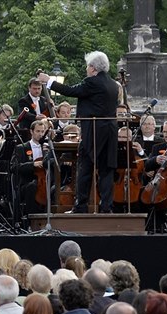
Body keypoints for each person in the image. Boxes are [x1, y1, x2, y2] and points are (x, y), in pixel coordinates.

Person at [38, 51, 119, 213]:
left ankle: (81, 206)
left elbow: (71, 91)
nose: (87, 69)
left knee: (85, 167)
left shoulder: (93, 82)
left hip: (94, 130)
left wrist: (49, 81)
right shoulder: (112, 84)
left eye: (88, 66)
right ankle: (106, 207)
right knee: (106, 169)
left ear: (94, 68)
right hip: (110, 131)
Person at [14, 120, 50, 214]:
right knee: (32, 187)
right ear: (31, 131)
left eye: (42, 131)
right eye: (38, 131)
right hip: (27, 182)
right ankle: (31, 219)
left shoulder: (47, 147)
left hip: (45, 180)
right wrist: (32, 164)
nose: (40, 134)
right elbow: (14, 167)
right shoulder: (21, 147)